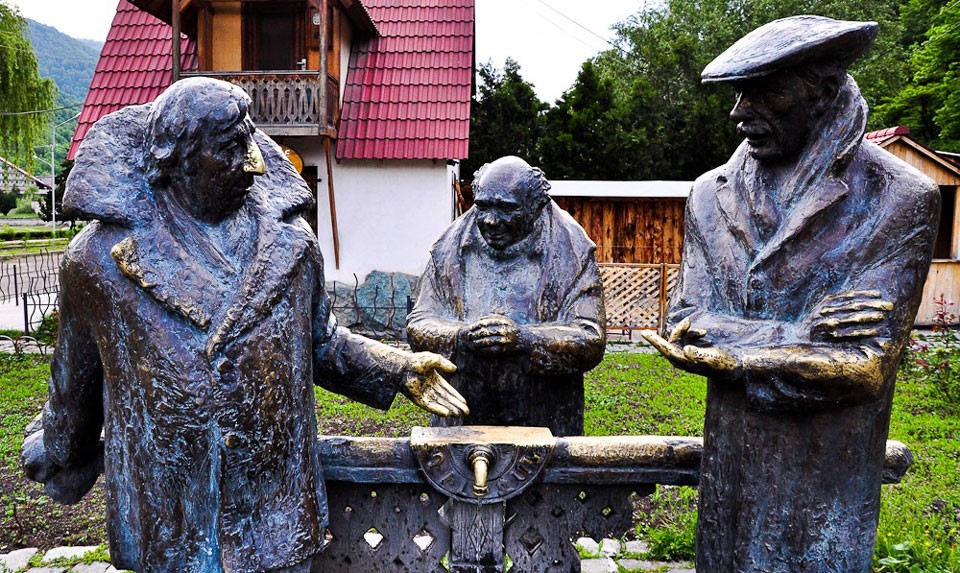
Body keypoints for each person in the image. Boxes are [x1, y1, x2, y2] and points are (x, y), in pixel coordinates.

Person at [21, 77, 468, 573]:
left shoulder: (293, 245)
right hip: (167, 524)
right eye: (232, 147)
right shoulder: (98, 261)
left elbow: (319, 343)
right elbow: (74, 384)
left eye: (251, 140)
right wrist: (58, 449)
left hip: (273, 516)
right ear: (178, 159)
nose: (254, 161)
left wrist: (397, 369)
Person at [642, 16, 940, 572]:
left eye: (763, 92)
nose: (738, 113)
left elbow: (864, 366)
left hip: (829, 472)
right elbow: (685, 323)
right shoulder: (710, 193)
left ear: (824, 90)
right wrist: (798, 337)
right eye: (737, 94)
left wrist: (738, 352)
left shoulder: (900, 196)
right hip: (732, 463)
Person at [407, 156, 605, 436]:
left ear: (536, 206)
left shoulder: (572, 251)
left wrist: (525, 340)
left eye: (506, 209)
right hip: (461, 422)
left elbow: (590, 339)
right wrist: (462, 337)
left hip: (546, 421)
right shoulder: (448, 248)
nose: (490, 220)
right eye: (483, 207)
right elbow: (419, 324)